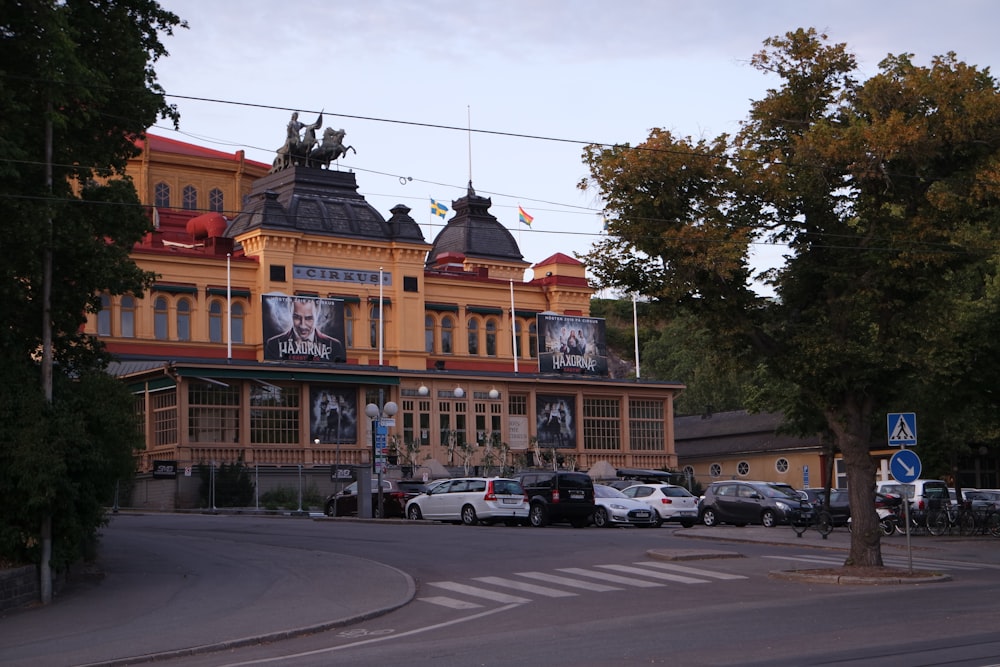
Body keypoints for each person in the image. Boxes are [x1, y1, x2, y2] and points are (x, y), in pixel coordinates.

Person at [265, 298, 344, 362]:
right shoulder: (273, 344)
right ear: (290, 311)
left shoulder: (334, 345)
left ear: (317, 313)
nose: (302, 325)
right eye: (297, 317)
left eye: (309, 318)